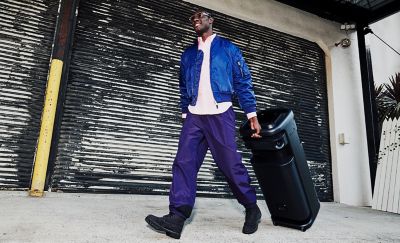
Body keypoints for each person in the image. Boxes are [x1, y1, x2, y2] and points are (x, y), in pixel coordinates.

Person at [145, 9, 262, 239]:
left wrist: (251, 114)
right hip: (195, 116)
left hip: (221, 114)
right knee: (183, 163)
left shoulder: (228, 48)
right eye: (192, 18)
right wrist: (184, 113)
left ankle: (251, 207)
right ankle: (177, 217)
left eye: (201, 16)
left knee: (230, 165)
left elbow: (243, 81)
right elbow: (182, 87)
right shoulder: (188, 54)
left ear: (211, 21)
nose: (196, 19)